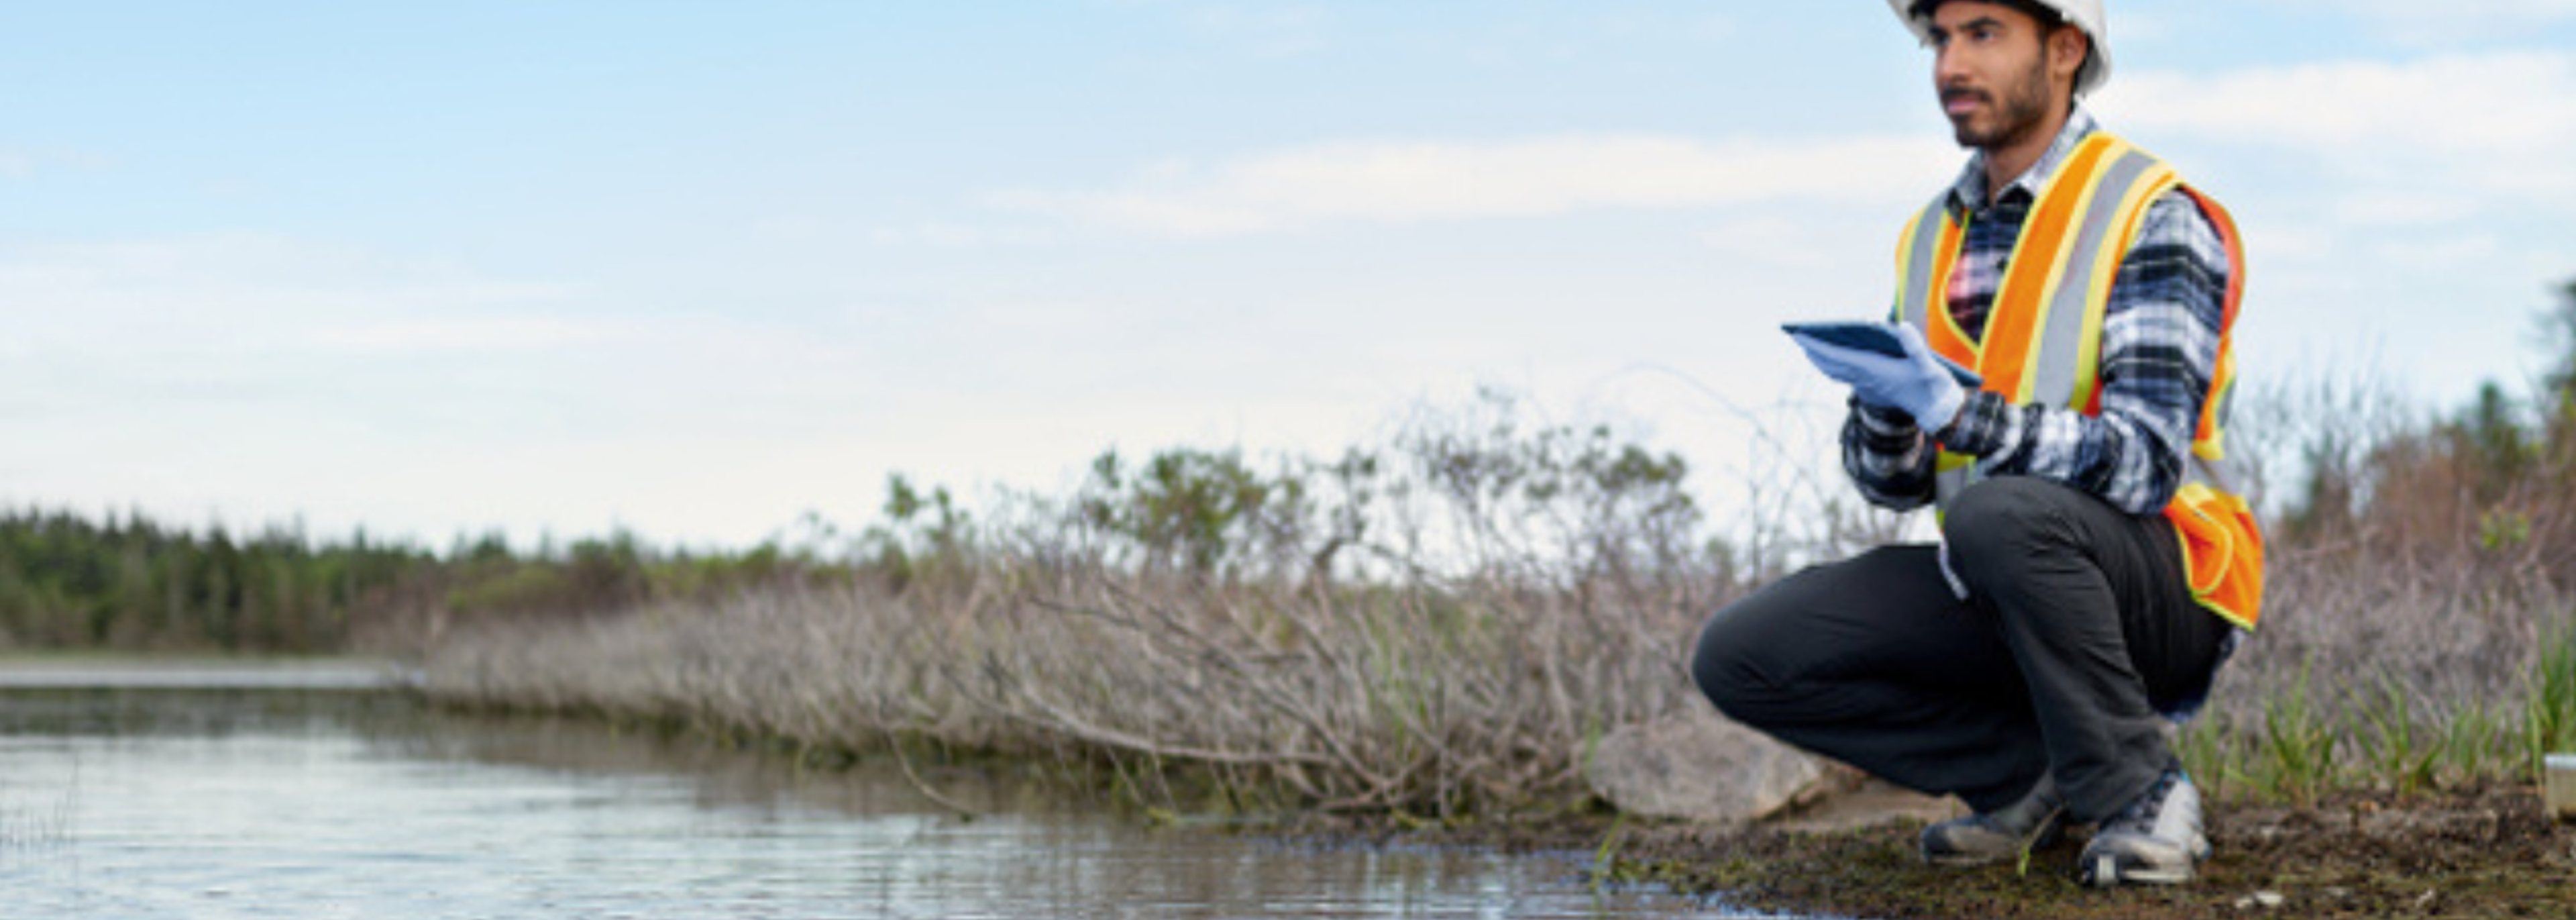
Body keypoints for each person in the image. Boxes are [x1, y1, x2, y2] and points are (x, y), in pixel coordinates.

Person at [1688, 0, 2263, 888]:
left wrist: (1960, 414)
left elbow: (2147, 462)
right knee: (1744, 651)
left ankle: (2143, 793)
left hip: (2166, 582)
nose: (1950, 63)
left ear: (2065, 49)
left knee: (1998, 515)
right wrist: (1886, 404)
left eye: (1983, 33)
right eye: (1941, 38)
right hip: (1999, 567)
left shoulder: (2152, 212)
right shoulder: (1930, 237)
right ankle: (2030, 771)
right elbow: (1895, 485)